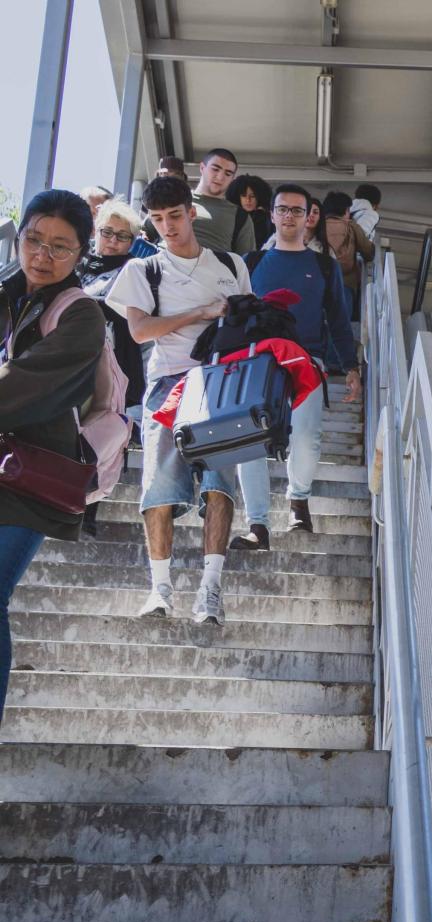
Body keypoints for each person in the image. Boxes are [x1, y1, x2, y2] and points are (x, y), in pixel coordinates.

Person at [106, 175, 254, 624]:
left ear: (192, 212)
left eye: (175, 215)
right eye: (158, 218)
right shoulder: (143, 269)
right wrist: (200, 313)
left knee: (219, 486)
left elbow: (250, 322)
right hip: (167, 384)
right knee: (158, 486)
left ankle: (211, 588)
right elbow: (139, 331)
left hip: (222, 382)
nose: (168, 226)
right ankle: (160, 589)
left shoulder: (230, 264)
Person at [0, 190, 107, 721]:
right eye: (34, 240)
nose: (42, 255)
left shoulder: (83, 314)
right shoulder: (5, 292)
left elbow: (26, 384)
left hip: (31, 476)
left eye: (60, 247)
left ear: (81, 252)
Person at [230, 183, 360, 549]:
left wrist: (351, 367)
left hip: (307, 359)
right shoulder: (250, 262)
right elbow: (233, 315)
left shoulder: (323, 266)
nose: (289, 216)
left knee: (306, 436)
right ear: (271, 215)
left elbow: (338, 319)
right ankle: (257, 524)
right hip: (256, 359)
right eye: (283, 209)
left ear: (308, 218)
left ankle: (298, 501)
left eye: (297, 210)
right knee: (250, 439)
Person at [77, 199, 149, 423]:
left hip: (114, 366)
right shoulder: (75, 264)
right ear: (95, 231)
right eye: (107, 232)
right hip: (71, 357)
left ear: (132, 242)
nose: (113, 240)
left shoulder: (137, 270)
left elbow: (125, 310)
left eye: (122, 236)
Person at [189, 148, 255, 255]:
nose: (220, 177)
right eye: (215, 169)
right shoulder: (175, 200)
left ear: (232, 178)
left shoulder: (240, 216)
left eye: (228, 174)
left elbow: (246, 260)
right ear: (202, 168)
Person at [319, 190, 375, 315]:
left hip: (317, 282)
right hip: (344, 284)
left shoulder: (317, 226)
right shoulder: (352, 227)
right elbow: (368, 252)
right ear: (346, 211)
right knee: (342, 321)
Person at [227, 174, 273, 249]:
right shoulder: (231, 217)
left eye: (252, 196)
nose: (248, 200)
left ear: (259, 197)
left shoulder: (267, 219)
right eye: (244, 195)